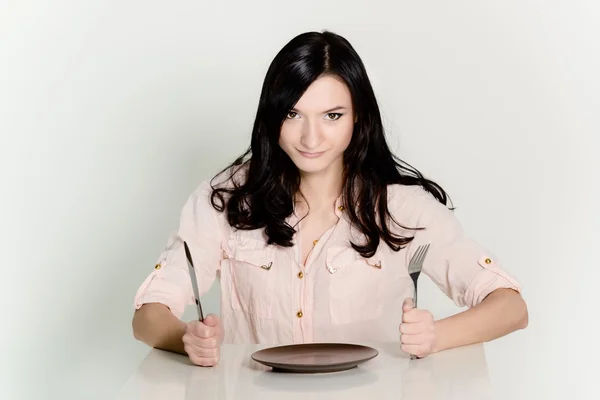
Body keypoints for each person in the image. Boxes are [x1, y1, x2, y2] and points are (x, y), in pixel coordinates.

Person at [131, 30, 528, 367]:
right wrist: (186, 338)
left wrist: (436, 335)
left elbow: (510, 307)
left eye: (332, 116)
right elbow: (148, 314)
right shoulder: (229, 200)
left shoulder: (403, 209)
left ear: (359, 118)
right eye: (293, 113)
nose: (311, 138)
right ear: (272, 117)